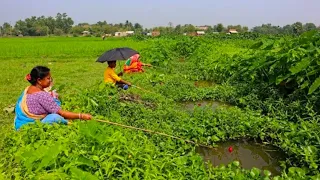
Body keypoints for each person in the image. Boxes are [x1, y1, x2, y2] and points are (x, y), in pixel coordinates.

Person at [14, 66, 92, 130]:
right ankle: (72, 126)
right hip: (30, 126)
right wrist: (81, 116)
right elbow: (61, 113)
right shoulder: (42, 95)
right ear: (39, 80)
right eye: (48, 78)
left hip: (19, 124)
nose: (50, 80)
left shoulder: (28, 89)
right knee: (55, 117)